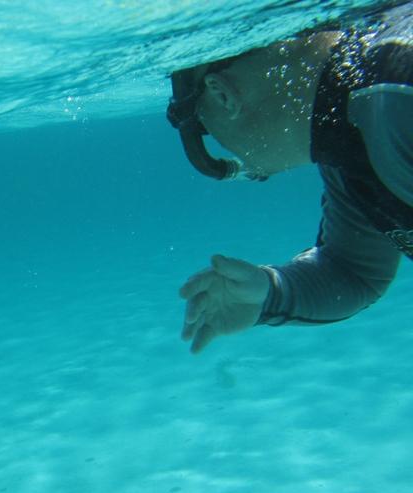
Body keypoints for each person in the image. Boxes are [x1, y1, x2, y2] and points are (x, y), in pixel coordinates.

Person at [166, 1, 413, 353]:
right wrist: (272, 291)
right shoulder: (351, 136)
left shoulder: (396, 97)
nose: (223, 148)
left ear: (223, 95)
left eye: (203, 127)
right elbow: (353, 271)